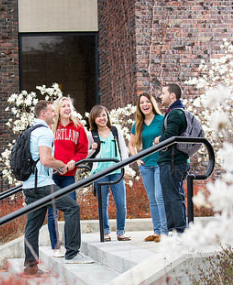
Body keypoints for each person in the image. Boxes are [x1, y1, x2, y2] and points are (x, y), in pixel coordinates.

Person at [22, 100, 93, 275]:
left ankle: (30, 267)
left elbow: (40, 159)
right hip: (44, 185)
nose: (55, 113)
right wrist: (61, 165)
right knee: (72, 208)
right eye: (52, 111)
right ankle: (72, 253)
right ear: (43, 114)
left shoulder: (30, 131)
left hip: (29, 185)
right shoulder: (45, 131)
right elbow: (46, 160)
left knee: (33, 224)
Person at [47, 96, 88, 257]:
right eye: (63, 106)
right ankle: (56, 246)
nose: (67, 108)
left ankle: (71, 246)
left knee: (71, 209)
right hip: (53, 175)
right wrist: (56, 164)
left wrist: (74, 161)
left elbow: (83, 151)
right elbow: (45, 150)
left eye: (69, 105)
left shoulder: (78, 127)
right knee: (53, 211)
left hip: (69, 175)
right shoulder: (51, 127)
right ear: (58, 109)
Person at [87, 105, 131, 242]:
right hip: (100, 172)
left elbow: (123, 150)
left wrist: (125, 168)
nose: (102, 118)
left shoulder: (115, 130)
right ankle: (105, 232)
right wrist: (91, 148)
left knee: (121, 202)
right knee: (103, 203)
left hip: (117, 170)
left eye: (104, 115)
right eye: (98, 116)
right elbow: (86, 155)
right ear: (94, 119)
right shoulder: (90, 135)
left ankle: (120, 231)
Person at [129, 92, 168, 243]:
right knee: (152, 199)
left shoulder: (162, 120)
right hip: (146, 166)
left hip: (160, 163)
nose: (145, 105)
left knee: (159, 196)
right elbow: (131, 144)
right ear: (139, 107)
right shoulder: (137, 124)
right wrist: (137, 159)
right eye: (142, 103)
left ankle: (164, 232)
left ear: (152, 104)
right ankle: (156, 231)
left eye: (147, 102)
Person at [154, 84, 189, 234]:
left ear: (172, 96)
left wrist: (158, 140)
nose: (161, 96)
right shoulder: (175, 112)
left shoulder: (175, 113)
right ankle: (179, 231)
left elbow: (170, 137)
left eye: (163, 93)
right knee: (174, 196)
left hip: (172, 162)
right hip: (172, 162)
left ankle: (179, 232)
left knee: (172, 197)